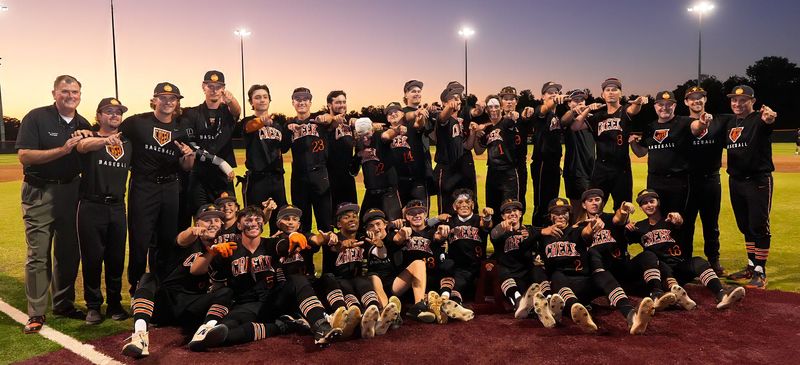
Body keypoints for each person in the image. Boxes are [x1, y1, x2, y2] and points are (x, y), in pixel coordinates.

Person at [17, 75, 92, 333]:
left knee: (69, 252)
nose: (70, 96)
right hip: (40, 191)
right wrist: (62, 149)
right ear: (54, 93)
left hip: (71, 191)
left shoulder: (83, 123)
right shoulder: (37, 117)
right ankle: (36, 312)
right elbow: (24, 155)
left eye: (75, 92)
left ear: (80, 95)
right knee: (38, 254)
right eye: (65, 91)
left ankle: (64, 303)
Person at [123, 204, 234, 358]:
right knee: (148, 278)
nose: (212, 223)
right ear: (197, 223)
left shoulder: (223, 246)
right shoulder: (190, 241)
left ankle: (204, 331)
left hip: (191, 308)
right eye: (207, 220)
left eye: (216, 220)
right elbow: (184, 240)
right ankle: (140, 336)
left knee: (226, 293)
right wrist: (191, 232)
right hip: (166, 304)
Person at [538, 198, 656, 334]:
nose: (560, 216)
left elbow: (587, 232)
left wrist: (593, 226)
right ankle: (575, 308)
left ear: (569, 215)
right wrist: (540, 232)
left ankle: (631, 315)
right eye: (556, 213)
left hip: (583, 284)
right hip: (560, 288)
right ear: (550, 216)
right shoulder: (542, 235)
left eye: (564, 212)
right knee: (556, 275)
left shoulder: (576, 231)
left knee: (601, 274)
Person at [121, 82, 195, 290]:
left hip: (170, 187)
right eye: (163, 98)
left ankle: (161, 284)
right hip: (144, 186)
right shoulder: (137, 122)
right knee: (140, 239)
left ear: (177, 102)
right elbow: (114, 137)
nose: (168, 102)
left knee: (166, 240)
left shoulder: (180, 128)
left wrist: (189, 157)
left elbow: (186, 166)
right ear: (154, 100)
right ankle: (136, 285)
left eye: (173, 99)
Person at [705, 85, 777, 288]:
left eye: (743, 100)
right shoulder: (730, 121)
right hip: (736, 180)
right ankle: (751, 265)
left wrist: (770, 119)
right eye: (734, 100)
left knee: (759, 225)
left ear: (752, 102)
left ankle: (760, 272)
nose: (737, 103)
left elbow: (768, 123)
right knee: (745, 225)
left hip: (757, 180)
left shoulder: (759, 119)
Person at [628, 189, 746, 309]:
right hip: (659, 272)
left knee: (698, 261)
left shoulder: (670, 219)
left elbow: (680, 222)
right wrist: (626, 226)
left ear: (658, 202)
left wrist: (678, 220)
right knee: (655, 259)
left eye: (651, 201)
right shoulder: (639, 226)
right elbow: (623, 239)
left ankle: (721, 294)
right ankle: (676, 294)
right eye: (644, 203)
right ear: (640, 207)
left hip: (679, 267)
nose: (649, 205)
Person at [75, 97, 132, 324]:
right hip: (91, 206)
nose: (114, 115)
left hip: (117, 206)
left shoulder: (127, 142)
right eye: (108, 111)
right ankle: (94, 306)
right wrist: (104, 140)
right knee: (92, 259)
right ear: (98, 116)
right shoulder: (88, 136)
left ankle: (115, 303)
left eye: (118, 112)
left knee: (116, 258)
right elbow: (82, 147)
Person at [571, 78, 648, 210]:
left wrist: (639, 102)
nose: (611, 92)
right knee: (593, 208)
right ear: (603, 95)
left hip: (621, 168)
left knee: (622, 209)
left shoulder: (624, 111)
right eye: (607, 90)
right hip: (601, 167)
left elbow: (634, 109)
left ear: (620, 94)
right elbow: (575, 126)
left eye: (614, 89)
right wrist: (587, 109)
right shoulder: (597, 116)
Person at [182, 71, 241, 226]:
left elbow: (237, 111)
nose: (214, 89)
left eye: (218, 86)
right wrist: (219, 161)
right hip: (200, 174)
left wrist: (231, 100)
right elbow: (191, 144)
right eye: (210, 86)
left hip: (223, 177)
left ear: (223, 88)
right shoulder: (192, 113)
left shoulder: (227, 112)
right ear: (203, 87)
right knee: (202, 219)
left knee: (228, 219)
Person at [490, 199, 554, 327]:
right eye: (508, 211)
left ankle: (549, 301)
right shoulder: (500, 231)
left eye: (515, 210)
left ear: (520, 214)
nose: (512, 213)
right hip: (510, 275)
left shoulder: (530, 230)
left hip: (527, 275)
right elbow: (493, 235)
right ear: (503, 216)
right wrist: (502, 227)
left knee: (537, 269)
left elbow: (544, 233)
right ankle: (519, 302)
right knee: (501, 269)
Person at [682, 86, 725, 274]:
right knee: (686, 223)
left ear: (705, 99)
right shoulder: (680, 123)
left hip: (711, 180)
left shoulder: (719, 121)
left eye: (700, 98)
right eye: (692, 98)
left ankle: (713, 260)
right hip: (687, 181)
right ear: (686, 102)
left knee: (711, 223)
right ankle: (685, 260)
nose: (696, 101)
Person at [241, 84, 290, 234]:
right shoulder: (248, 121)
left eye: (265, 97)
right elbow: (249, 127)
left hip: (276, 179)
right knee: (254, 221)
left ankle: (277, 254)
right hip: (257, 180)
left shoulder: (278, 125)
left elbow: (285, 147)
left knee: (280, 221)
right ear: (251, 102)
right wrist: (262, 121)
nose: (262, 100)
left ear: (269, 99)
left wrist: (290, 128)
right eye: (257, 97)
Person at [286, 87, 333, 233]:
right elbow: (281, 148)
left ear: (310, 102)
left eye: (305, 99)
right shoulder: (288, 124)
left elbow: (334, 119)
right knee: (302, 224)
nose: (302, 102)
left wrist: (328, 117)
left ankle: (328, 255)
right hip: (299, 178)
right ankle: (304, 256)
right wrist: (287, 129)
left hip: (320, 174)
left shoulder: (320, 120)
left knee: (325, 224)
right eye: (298, 99)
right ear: (293, 102)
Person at [523, 82, 566, 226]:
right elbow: (542, 109)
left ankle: (548, 238)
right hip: (542, 164)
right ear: (542, 96)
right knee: (541, 205)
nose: (554, 94)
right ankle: (537, 237)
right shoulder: (540, 111)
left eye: (556, 92)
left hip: (553, 164)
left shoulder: (556, 114)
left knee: (552, 203)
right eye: (549, 92)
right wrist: (552, 102)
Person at [434, 82, 478, 215]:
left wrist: (473, 132)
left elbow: (467, 146)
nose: (457, 100)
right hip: (447, 168)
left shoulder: (461, 122)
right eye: (453, 98)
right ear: (444, 102)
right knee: (447, 209)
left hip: (463, 167)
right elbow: (442, 118)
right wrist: (448, 108)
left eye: (458, 98)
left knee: (469, 204)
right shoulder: (442, 117)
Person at [474, 95, 519, 224]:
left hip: (508, 172)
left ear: (501, 108)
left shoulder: (506, 122)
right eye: (490, 107)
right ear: (487, 110)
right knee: (492, 210)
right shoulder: (487, 129)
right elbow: (478, 151)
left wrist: (514, 115)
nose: (494, 109)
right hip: (492, 172)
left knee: (510, 210)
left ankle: (511, 241)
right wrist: (477, 136)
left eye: (496, 106)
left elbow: (511, 118)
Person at [353, 114, 403, 221]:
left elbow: (387, 135)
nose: (365, 138)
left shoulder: (380, 137)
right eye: (361, 135)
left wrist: (396, 129)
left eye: (367, 134)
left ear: (372, 129)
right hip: (371, 192)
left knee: (394, 223)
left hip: (388, 191)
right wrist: (359, 155)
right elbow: (353, 171)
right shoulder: (359, 144)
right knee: (363, 225)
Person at [560, 90, 596, 220]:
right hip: (574, 170)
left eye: (582, 99)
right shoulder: (568, 118)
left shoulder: (592, 118)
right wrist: (576, 111)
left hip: (591, 169)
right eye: (575, 100)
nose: (580, 102)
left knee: (592, 210)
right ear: (568, 103)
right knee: (577, 211)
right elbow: (564, 121)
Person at [399, 80, 435, 207]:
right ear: (406, 95)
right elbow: (402, 117)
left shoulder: (425, 114)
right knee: (401, 215)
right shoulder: (399, 112)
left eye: (419, 91)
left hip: (421, 170)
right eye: (413, 91)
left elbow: (430, 134)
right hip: (402, 172)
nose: (417, 93)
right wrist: (416, 113)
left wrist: (429, 114)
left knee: (422, 213)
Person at [321, 90, 358, 211]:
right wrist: (333, 121)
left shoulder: (350, 123)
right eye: (338, 102)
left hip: (347, 175)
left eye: (344, 102)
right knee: (332, 215)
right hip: (330, 175)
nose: (342, 105)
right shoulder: (324, 123)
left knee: (351, 212)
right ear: (329, 105)